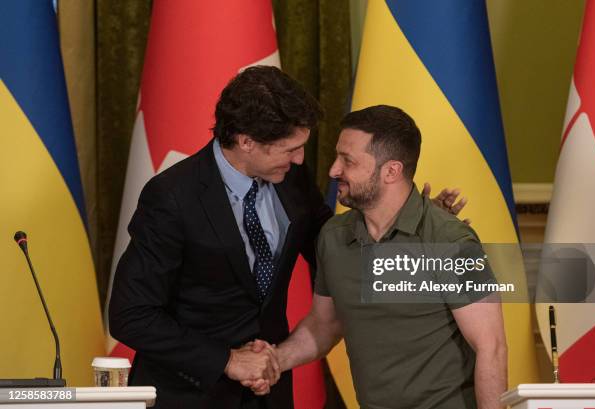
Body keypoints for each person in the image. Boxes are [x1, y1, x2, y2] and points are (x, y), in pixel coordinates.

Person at [109, 66, 467, 409]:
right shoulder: (172, 197)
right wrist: (227, 360)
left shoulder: (289, 178)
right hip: (188, 395)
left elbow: (337, 246)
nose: (300, 159)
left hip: (269, 394)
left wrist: (412, 220)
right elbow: (131, 315)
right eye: (289, 149)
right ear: (246, 141)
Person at [249, 105, 507, 409]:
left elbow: (491, 347)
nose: (333, 170)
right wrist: (274, 360)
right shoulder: (333, 236)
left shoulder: (451, 240)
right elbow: (325, 324)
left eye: (348, 161)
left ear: (391, 171)